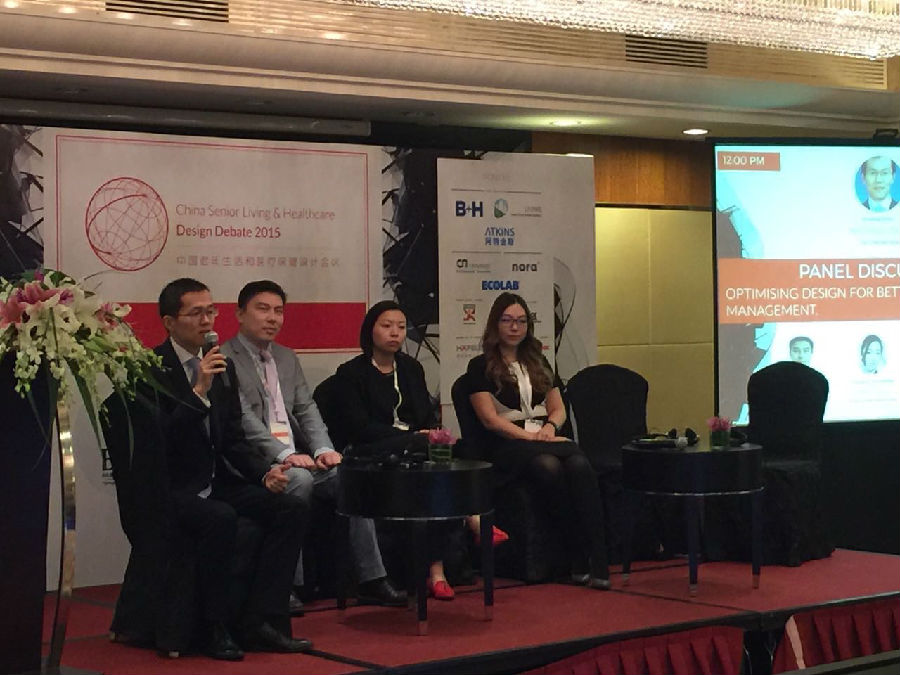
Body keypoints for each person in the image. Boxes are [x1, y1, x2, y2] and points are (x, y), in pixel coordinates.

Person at [152, 278, 312, 659]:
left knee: (290, 506)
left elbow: (234, 439)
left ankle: (263, 619)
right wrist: (198, 391)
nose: (207, 321)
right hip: (172, 486)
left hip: (217, 481)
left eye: (210, 311)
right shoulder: (152, 369)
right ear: (169, 322)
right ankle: (215, 627)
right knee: (221, 518)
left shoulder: (220, 365)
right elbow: (161, 442)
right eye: (196, 313)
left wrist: (263, 473)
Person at [221, 280, 405, 610]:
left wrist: (323, 449)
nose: (272, 318)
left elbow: (306, 409)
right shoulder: (224, 358)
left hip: (301, 455)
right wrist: (286, 454)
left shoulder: (286, 357)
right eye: (262, 309)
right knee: (299, 480)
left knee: (349, 477)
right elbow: (242, 420)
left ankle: (371, 577)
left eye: (278, 311)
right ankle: (287, 584)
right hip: (256, 462)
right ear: (239, 314)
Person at [333, 300, 480, 600]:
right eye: (387, 326)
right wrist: (410, 436)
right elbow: (358, 427)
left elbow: (424, 416)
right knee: (426, 451)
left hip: (413, 448)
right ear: (370, 330)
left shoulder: (412, 368)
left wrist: (423, 435)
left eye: (401, 327)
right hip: (371, 449)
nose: (395, 333)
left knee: (452, 451)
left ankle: (440, 565)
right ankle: (470, 526)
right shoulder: (351, 373)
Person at [466, 292, 610, 589]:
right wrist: (529, 437)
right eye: (507, 320)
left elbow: (558, 408)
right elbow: (490, 420)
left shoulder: (540, 361)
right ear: (495, 324)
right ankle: (575, 551)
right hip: (507, 443)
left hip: (543, 434)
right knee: (548, 466)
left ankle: (598, 555)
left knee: (579, 465)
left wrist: (550, 427)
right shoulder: (479, 366)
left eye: (521, 321)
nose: (514, 327)